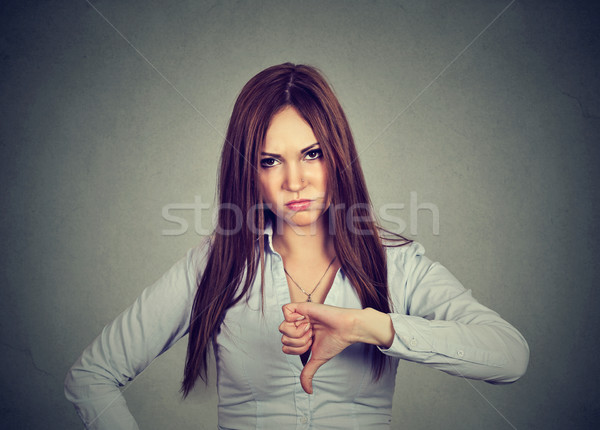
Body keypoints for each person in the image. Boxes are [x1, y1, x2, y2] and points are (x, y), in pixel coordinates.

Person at [64, 63, 529, 429]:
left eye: (312, 153)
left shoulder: (398, 264)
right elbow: (92, 376)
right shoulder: (217, 265)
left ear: (337, 154)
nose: (295, 180)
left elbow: (509, 355)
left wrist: (369, 326)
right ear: (249, 171)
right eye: (270, 161)